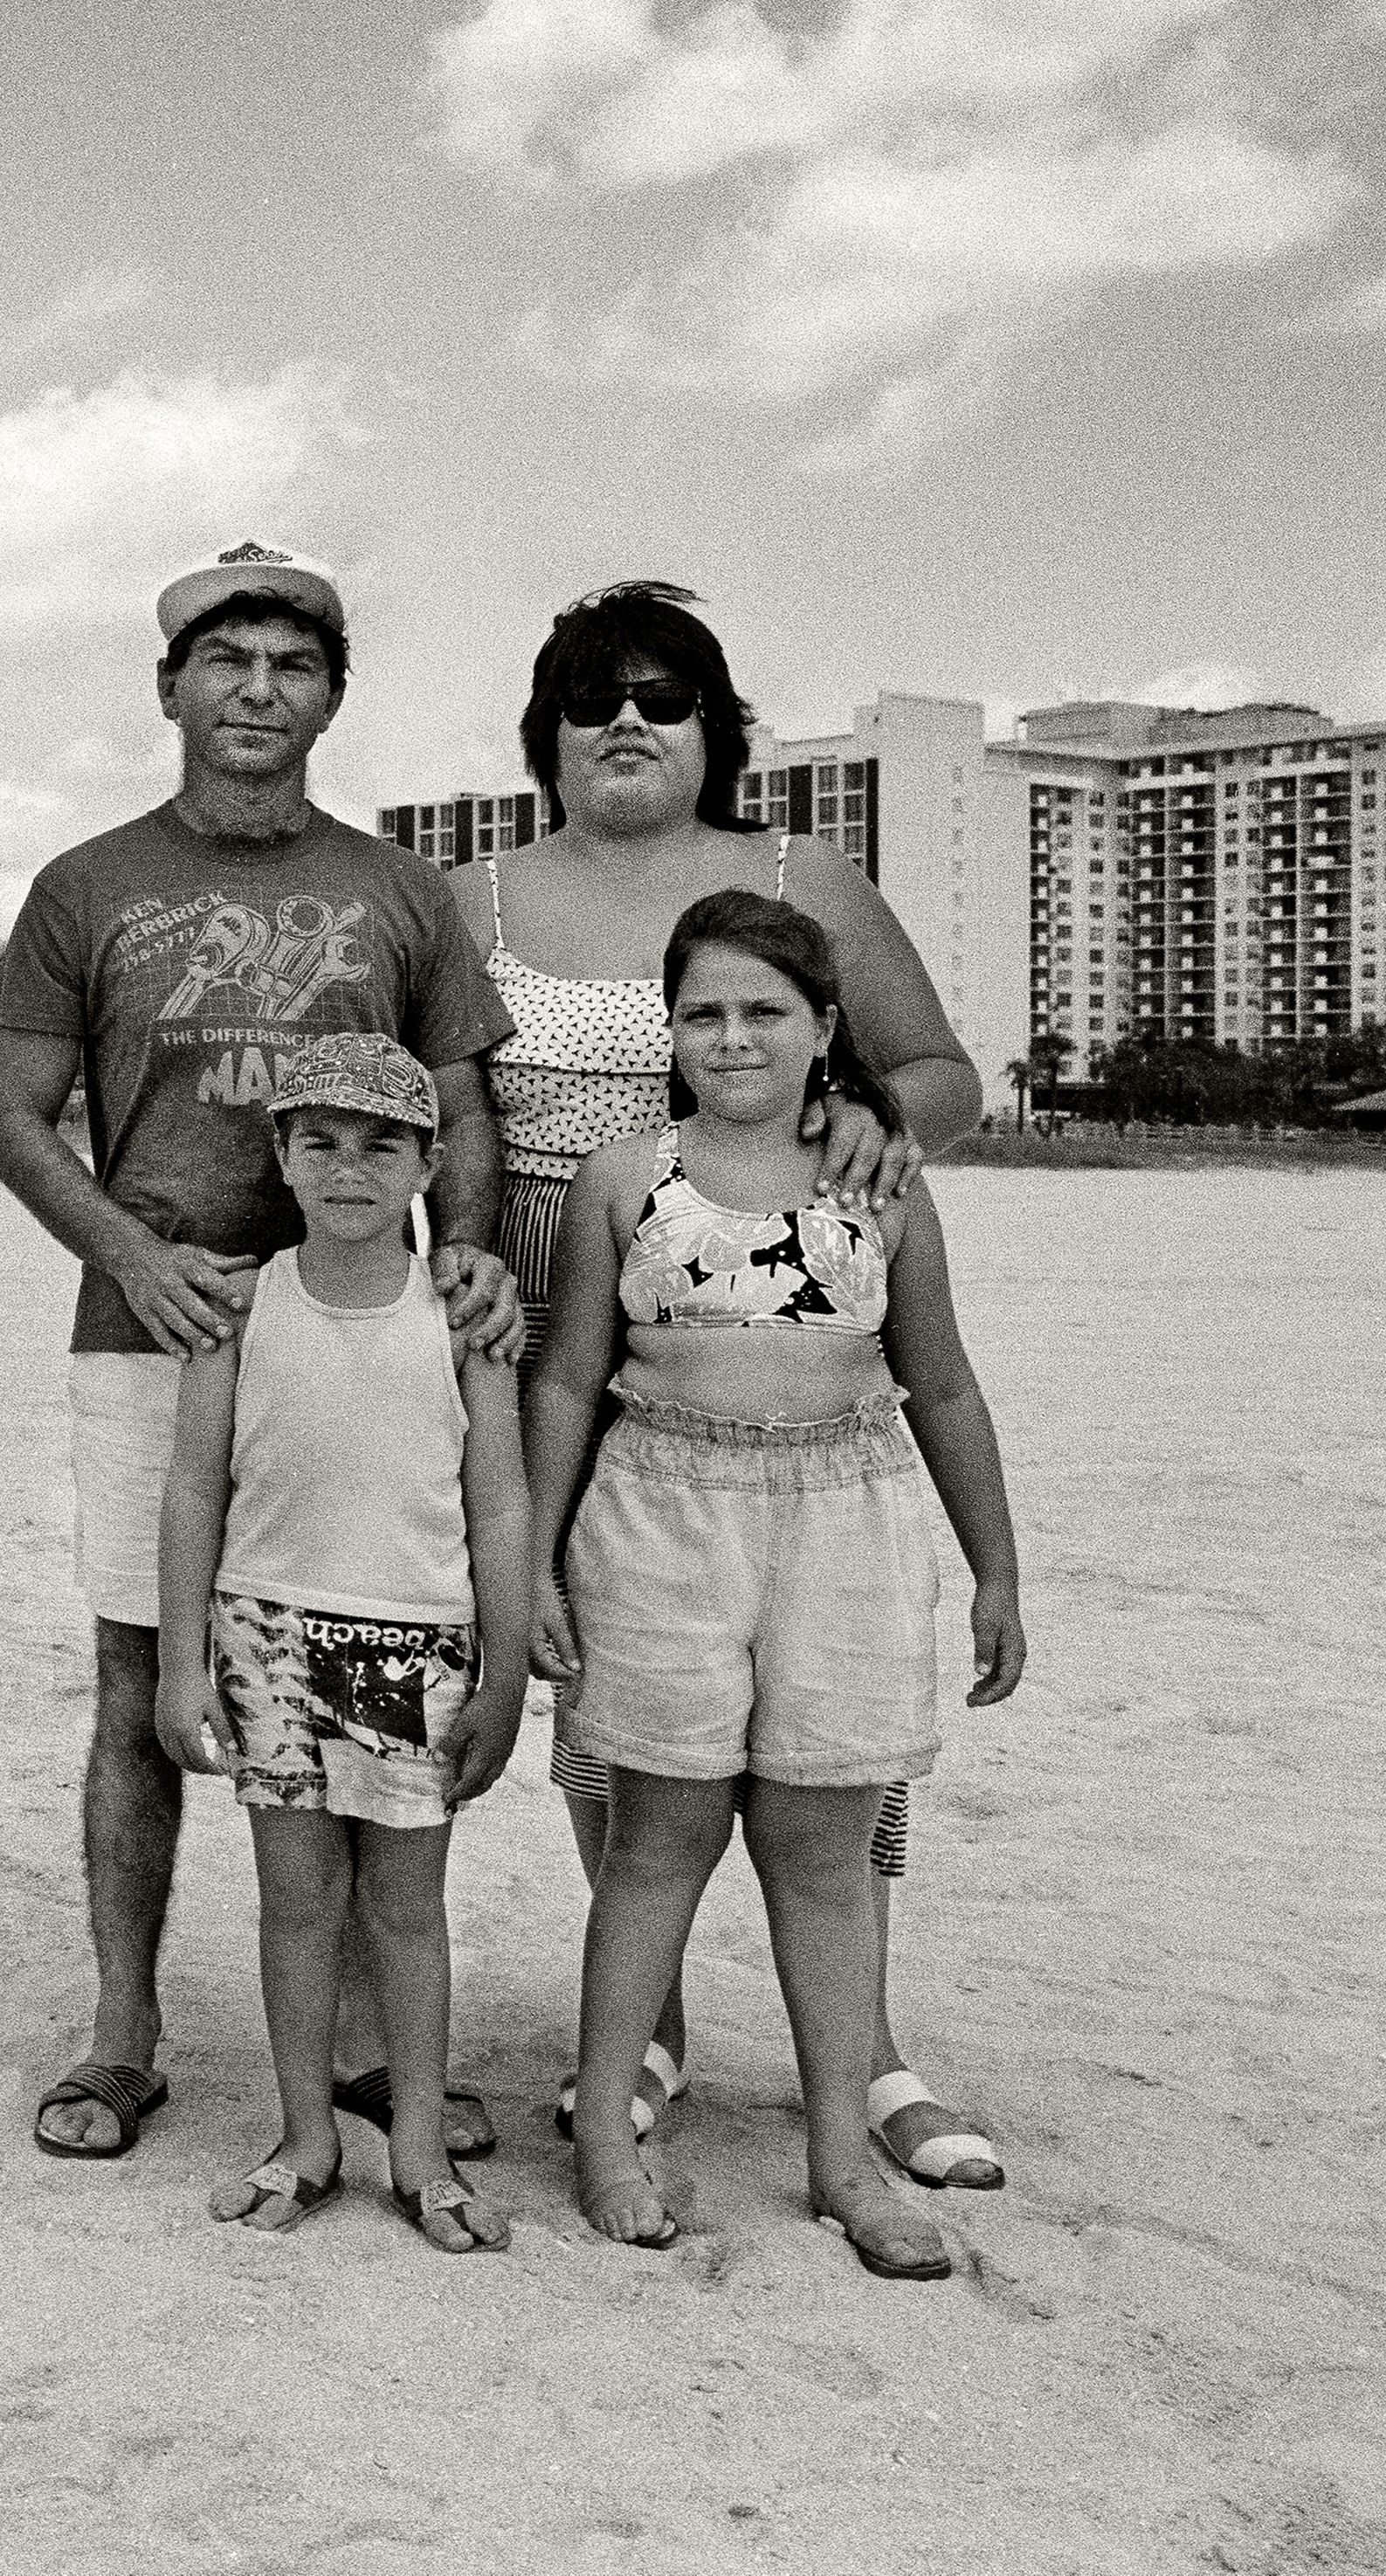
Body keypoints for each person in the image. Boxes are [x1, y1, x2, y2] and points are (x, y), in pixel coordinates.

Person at [457, 582, 1004, 2190]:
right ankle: (653, 2030)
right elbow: (448, 1116)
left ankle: (875, 2048)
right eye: (594, 695)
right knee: (614, 1707)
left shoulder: (801, 876)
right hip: (557, 1321)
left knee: (829, 1720)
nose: (629, 720)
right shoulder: (468, 889)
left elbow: (940, 1072)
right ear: (547, 731)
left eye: (667, 695)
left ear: (718, 730)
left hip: (770, 1307)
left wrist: (868, 1125)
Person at [0, 543, 518, 2168]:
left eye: (293, 666)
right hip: (154, 1331)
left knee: (359, 1661)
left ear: (333, 697)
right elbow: (14, 1118)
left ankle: (360, 2049)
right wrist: (134, 1254)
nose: (258, 692)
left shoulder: (401, 889)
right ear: (170, 689)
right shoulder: (86, 886)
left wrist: (470, 1257)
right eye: (228, 664)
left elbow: (467, 1101)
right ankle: (125, 2034)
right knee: (148, 1685)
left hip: (357, 1337)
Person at [525, 894, 1026, 2278]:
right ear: (669, 1033)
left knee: (822, 1853)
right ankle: (610, 2139)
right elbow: (569, 1375)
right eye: (703, 1012)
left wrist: (997, 1565)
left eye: (766, 1011)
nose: (732, 1036)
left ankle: (840, 2162)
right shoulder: (627, 1178)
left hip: (846, 1522)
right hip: (662, 1521)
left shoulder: (881, 1181)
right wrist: (537, 1561)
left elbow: (943, 1378)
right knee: (657, 1838)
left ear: (823, 1034)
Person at [155, 1037, 530, 2248]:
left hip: (414, 1641)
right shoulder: (239, 1305)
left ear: (428, 1161)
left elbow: (501, 1503)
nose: (349, 1168)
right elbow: (192, 1489)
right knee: (296, 1898)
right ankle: (308, 2134)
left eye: (382, 1144)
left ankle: (417, 2142)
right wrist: (177, 1660)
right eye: (320, 1140)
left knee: (408, 1909)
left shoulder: (463, 1319)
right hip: (266, 1630)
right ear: (282, 1154)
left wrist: (508, 1665)